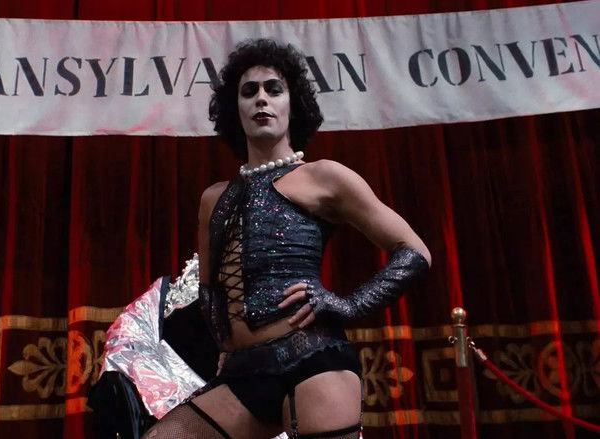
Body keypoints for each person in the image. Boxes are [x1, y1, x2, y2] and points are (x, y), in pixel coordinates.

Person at [144, 38, 431, 439]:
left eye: (273, 89)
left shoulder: (324, 177)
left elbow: (415, 252)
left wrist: (348, 305)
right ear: (235, 109)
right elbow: (209, 290)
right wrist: (224, 348)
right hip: (243, 372)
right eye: (249, 91)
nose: (261, 98)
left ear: (292, 105)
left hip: (313, 358)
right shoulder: (214, 198)